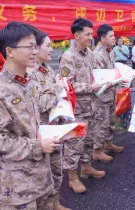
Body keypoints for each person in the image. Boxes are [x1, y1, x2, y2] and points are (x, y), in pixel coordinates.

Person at [0, 21, 60, 209]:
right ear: (10, 51)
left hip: (41, 178)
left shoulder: (29, 82)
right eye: (29, 46)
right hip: (16, 188)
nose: (35, 51)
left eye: (36, 46)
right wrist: (38, 146)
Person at [59, 18, 104, 194]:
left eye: (91, 34)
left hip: (92, 107)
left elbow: (95, 75)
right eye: (87, 34)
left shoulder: (90, 54)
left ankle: (86, 168)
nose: (90, 37)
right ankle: (72, 178)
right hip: (77, 111)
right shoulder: (68, 57)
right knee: (74, 144)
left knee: (89, 140)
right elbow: (66, 85)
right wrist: (89, 87)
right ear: (76, 36)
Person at [27, 30, 69, 210]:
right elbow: (41, 103)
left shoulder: (48, 69)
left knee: (56, 171)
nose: (52, 49)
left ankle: (55, 202)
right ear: (35, 48)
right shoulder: (30, 73)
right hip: (40, 134)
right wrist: (57, 88)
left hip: (54, 128)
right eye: (48, 45)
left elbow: (55, 97)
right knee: (42, 175)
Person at [92, 24, 124, 163]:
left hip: (111, 92)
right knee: (101, 124)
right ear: (103, 38)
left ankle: (108, 144)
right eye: (111, 36)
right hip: (101, 95)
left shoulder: (110, 51)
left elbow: (112, 70)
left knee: (110, 120)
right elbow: (99, 77)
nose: (114, 38)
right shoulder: (97, 55)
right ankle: (97, 150)